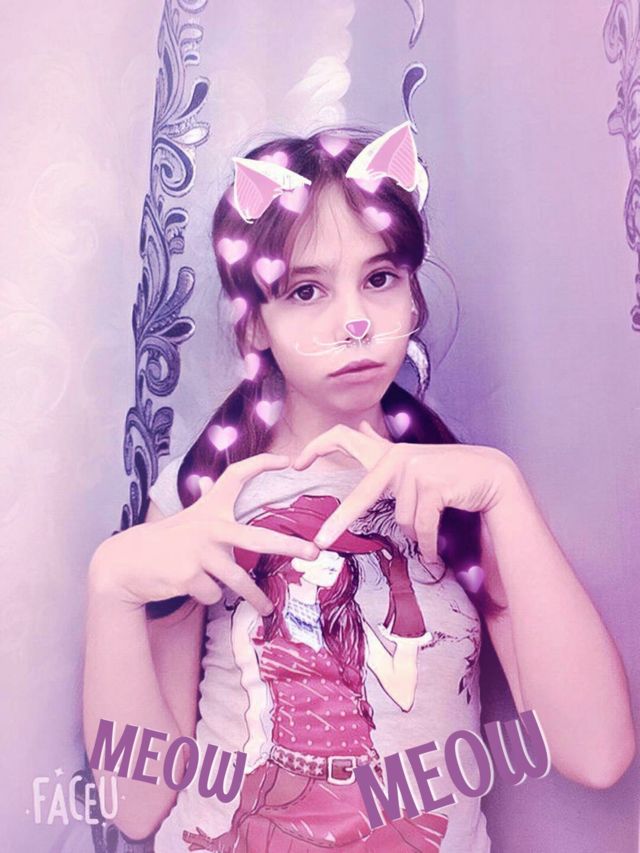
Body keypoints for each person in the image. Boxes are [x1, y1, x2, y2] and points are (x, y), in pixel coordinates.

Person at [83, 123, 636, 853]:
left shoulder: (463, 491)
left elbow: (597, 754)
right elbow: (136, 804)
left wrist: (503, 489)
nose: (353, 321)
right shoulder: (204, 497)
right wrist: (111, 584)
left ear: (413, 298)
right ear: (254, 324)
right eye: (306, 289)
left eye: (379, 279)